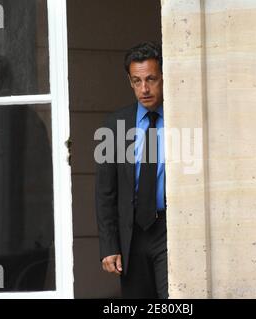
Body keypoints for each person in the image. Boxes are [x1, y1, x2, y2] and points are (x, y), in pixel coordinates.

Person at [95, 42, 168, 298]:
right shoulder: (115, 125)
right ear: (130, 81)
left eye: (151, 79)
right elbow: (105, 193)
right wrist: (109, 245)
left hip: (169, 230)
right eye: (136, 81)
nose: (144, 89)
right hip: (131, 234)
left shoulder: (182, 118)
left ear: (163, 77)